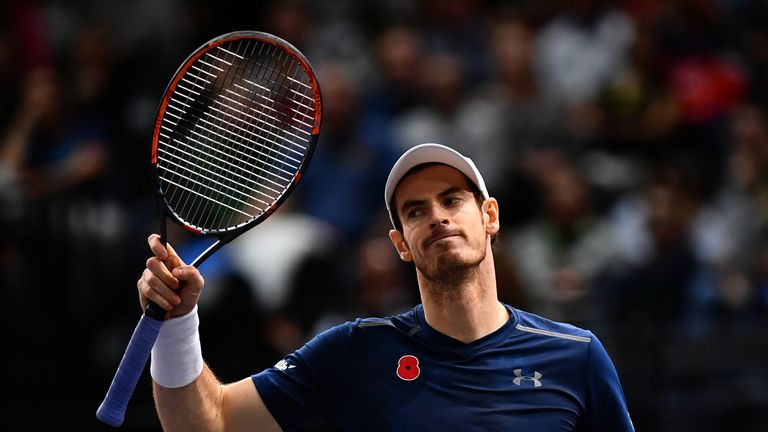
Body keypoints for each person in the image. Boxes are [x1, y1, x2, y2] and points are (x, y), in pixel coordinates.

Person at [138, 143, 635, 431]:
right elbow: (208, 423)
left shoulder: (576, 356)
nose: (436, 217)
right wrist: (177, 325)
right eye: (415, 211)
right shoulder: (355, 351)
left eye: (452, 199)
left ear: (490, 216)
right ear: (400, 243)